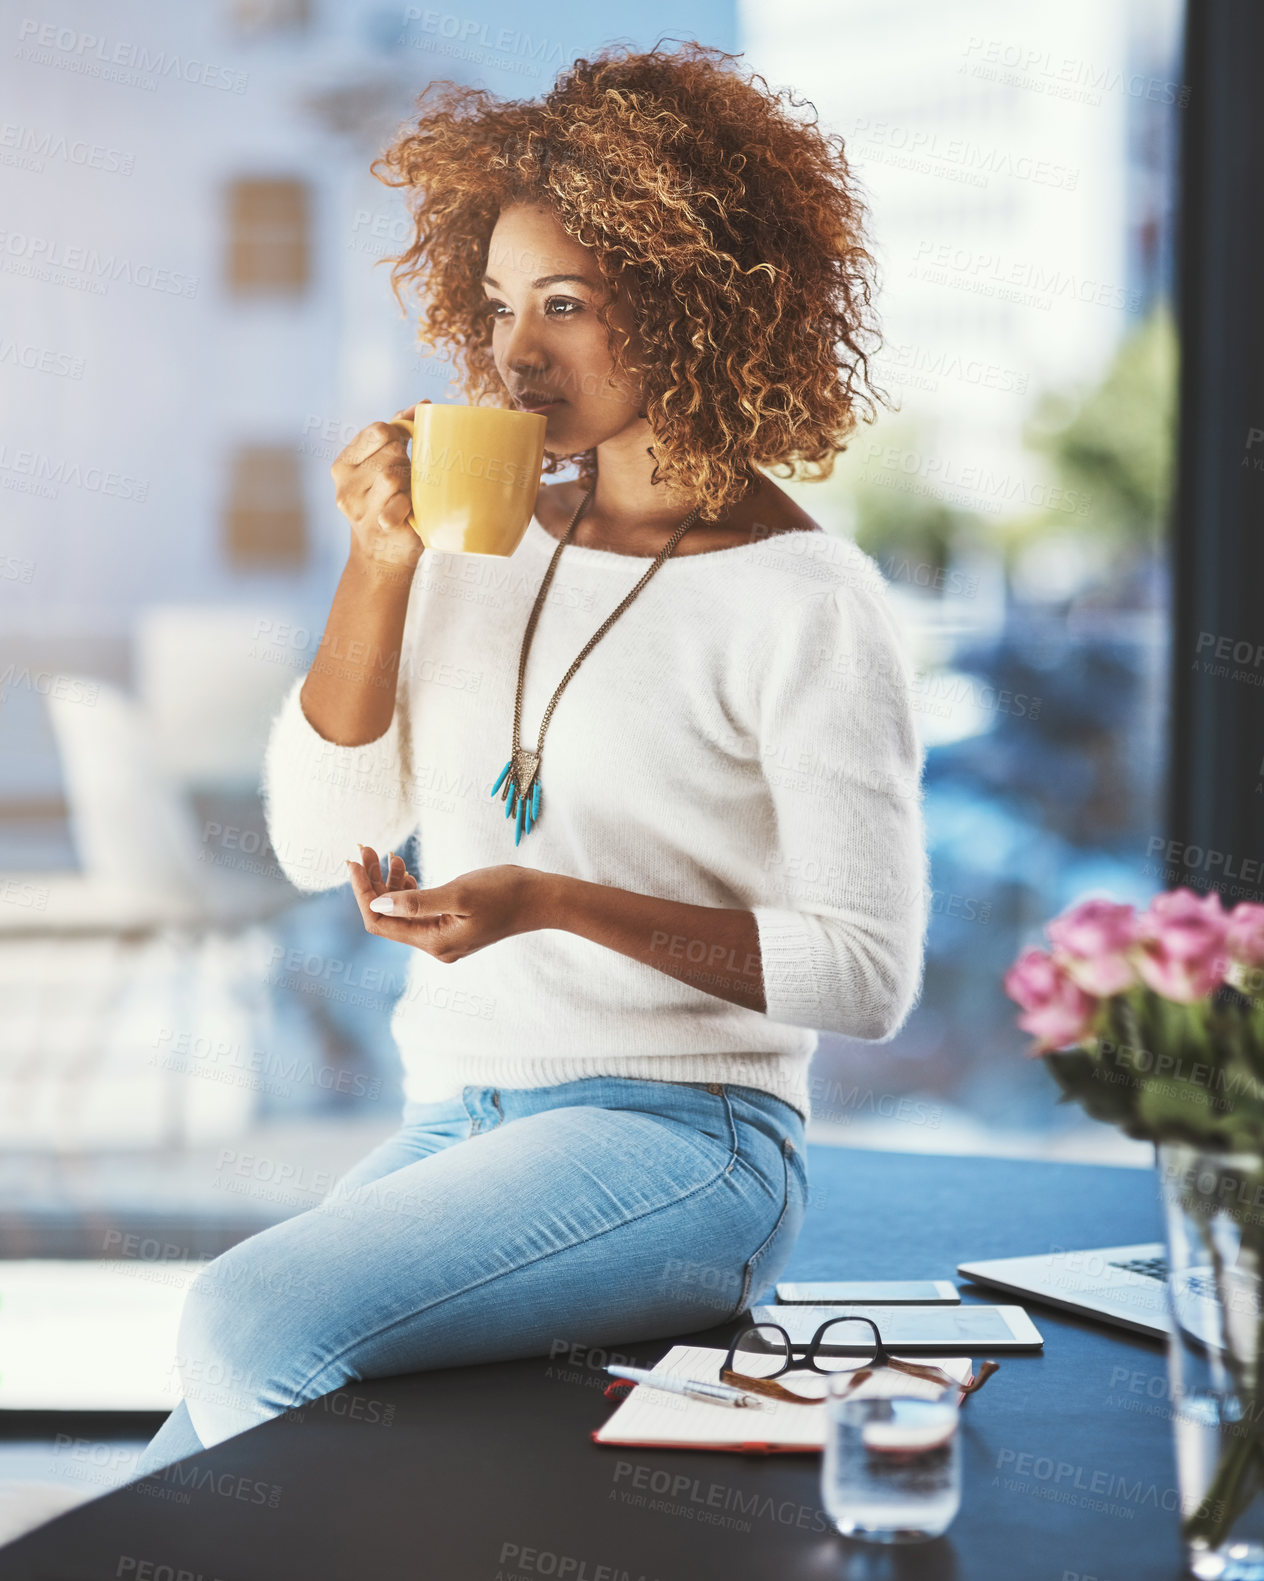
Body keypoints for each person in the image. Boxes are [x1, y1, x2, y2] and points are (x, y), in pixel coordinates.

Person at [134, 37, 929, 1477]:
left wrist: (550, 897)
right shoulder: (469, 539)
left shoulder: (808, 601)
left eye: (564, 303)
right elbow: (321, 844)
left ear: (698, 300)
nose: (514, 350)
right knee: (177, 1449)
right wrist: (378, 565)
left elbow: (864, 973)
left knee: (248, 1324)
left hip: (696, 1142)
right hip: (462, 1119)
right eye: (500, 305)